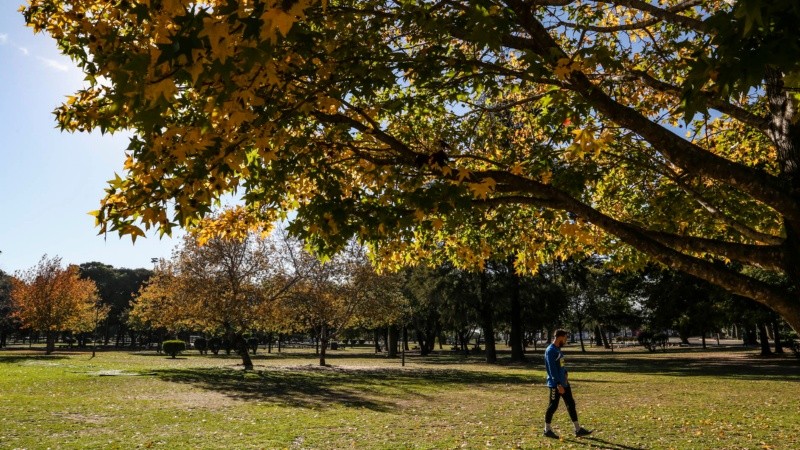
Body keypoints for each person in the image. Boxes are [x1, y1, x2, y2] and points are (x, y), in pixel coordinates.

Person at [543, 329, 592, 439]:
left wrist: (565, 373)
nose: (566, 340)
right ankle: (547, 430)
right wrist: (558, 384)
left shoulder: (558, 349)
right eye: (565, 338)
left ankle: (578, 429)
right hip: (556, 384)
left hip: (564, 383)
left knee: (571, 404)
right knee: (553, 406)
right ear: (560, 337)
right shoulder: (550, 350)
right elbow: (551, 370)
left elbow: (561, 365)